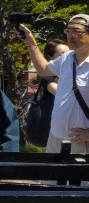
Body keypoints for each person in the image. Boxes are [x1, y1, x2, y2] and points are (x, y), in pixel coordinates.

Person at [21, 15, 89, 153]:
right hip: (55, 137)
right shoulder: (66, 58)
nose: (71, 35)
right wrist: (30, 40)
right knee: (53, 175)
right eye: (68, 30)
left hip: (81, 142)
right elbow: (43, 69)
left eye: (76, 31)